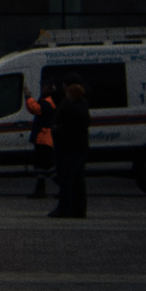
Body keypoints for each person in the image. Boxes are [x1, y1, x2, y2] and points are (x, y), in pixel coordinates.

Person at [47, 81, 91, 219]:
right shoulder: (81, 106)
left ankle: (65, 208)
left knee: (68, 179)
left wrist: (58, 130)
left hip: (71, 148)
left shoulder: (74, 107)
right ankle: (77, 209)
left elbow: (69, 124)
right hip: (77, 147)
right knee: (77, 180)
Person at [25, 88, 56, 200]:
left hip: (44, 138)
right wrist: (28, 99)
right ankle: (40, 189)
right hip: (41, 138)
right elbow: (33, 109)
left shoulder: (48, 102)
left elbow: (36, 109)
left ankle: (65, 188)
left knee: (47, 166)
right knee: (42, 166)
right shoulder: (45, 100)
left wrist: (28, 97)